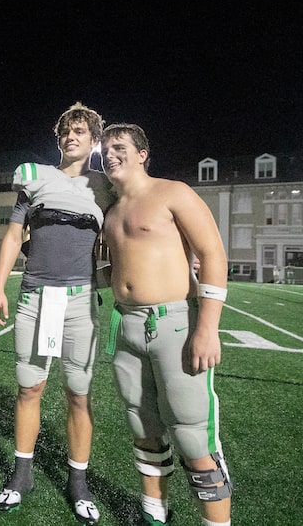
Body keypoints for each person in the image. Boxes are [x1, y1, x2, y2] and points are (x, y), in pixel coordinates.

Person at [99, 123, 232, 526]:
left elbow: (212, 253)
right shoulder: (112, 211)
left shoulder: (173, 192)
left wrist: (207, 327)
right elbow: (118, 271)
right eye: (105, 149)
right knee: (143, 427)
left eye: (119, 146)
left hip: (175, 323)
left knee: (193, 436)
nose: (110, 154)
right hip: (126, 326)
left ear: (143, 153)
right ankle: (154, 513)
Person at [0, 102, 116, 524]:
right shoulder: (35, 177)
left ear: (94, 140)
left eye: (80, 131)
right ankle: (22, 473)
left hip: (80, 301)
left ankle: (77, 482)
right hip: (35, 297)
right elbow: (12, 235)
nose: (70, 136)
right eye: (65, 131)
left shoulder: (106, 188)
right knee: (29, 389)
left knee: (79, 394)